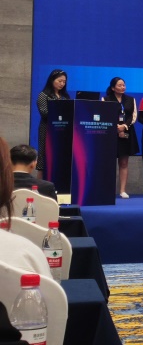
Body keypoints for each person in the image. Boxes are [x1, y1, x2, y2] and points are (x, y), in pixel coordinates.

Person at [0, 137, 52, 277]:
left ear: (9, 161)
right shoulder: (47, 187)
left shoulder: (3, 187)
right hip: (40, 243)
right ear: (33, 164)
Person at [103, 77, 140, 199]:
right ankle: (108, 190)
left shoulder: (131, 99)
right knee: (109, 162)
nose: (122, 87)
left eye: (124, 85)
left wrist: (124, 126)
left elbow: (133, 116)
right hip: (110, 133)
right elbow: (104, 115)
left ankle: (123, 190)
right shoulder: (106, 99)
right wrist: (115, 127)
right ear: (113, 88)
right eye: (119, 85)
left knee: (124, 162)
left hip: (126, 132)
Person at [36, 69, 70, 178]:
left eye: (64, 82)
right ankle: (40, 184)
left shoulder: (65, 97)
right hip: (47, 129)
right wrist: (59, 110)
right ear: (52, 80)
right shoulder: (43, 95)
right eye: (59, 81)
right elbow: (44, 113)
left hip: (62, 130)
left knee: (60, 157)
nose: (62, 84)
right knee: (44, 156)